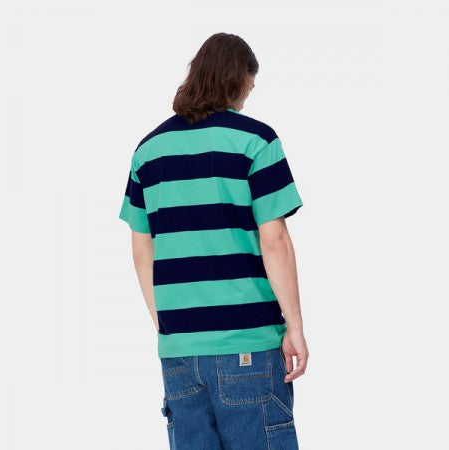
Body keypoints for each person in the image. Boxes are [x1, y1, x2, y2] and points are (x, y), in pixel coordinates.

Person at [118, 32, 309, 449]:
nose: (246, 99)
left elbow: (141, 246)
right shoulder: (256, 141)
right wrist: (295, 327)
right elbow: (274, 237)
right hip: (248, 341)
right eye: (249, 88)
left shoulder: (148, 151)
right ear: (239, 80)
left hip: (179, 351)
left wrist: (166, 324)